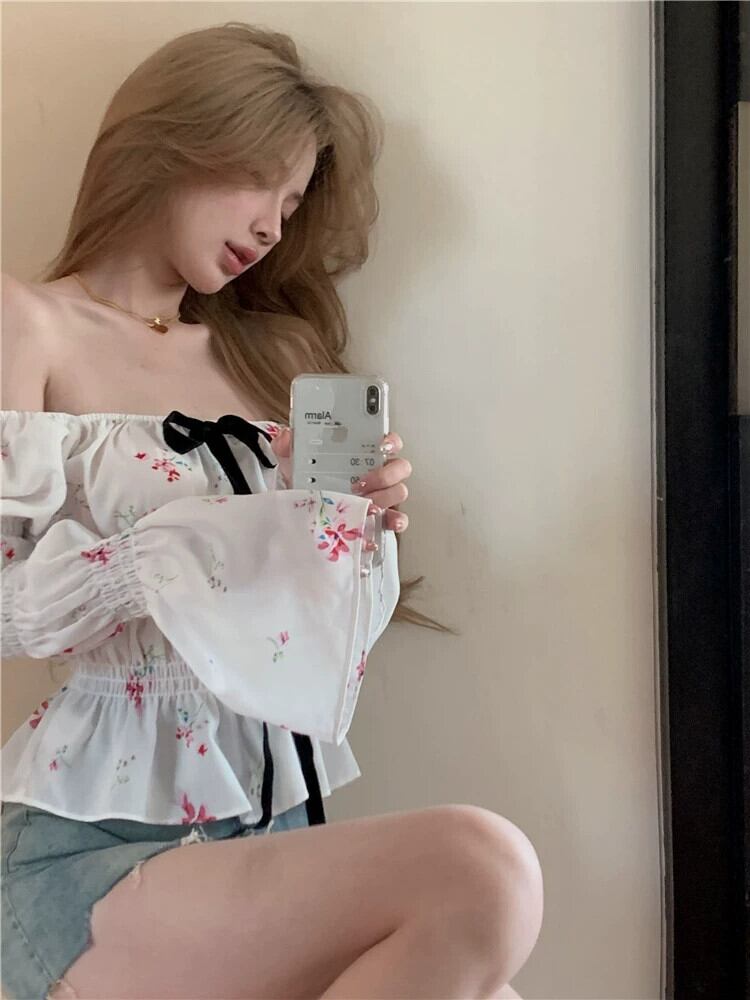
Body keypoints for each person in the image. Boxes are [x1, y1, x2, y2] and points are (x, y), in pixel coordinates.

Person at [0, 21, 543, 1000]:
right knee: (482, 871)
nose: (272, 231)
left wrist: (356, 538)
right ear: (178, 140)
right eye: (264, 185)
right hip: (93, 858)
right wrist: (165, 553)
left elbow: (315, 646)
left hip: (271, 830)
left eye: (293, 208)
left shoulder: (273, 358)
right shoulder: (25, 323)